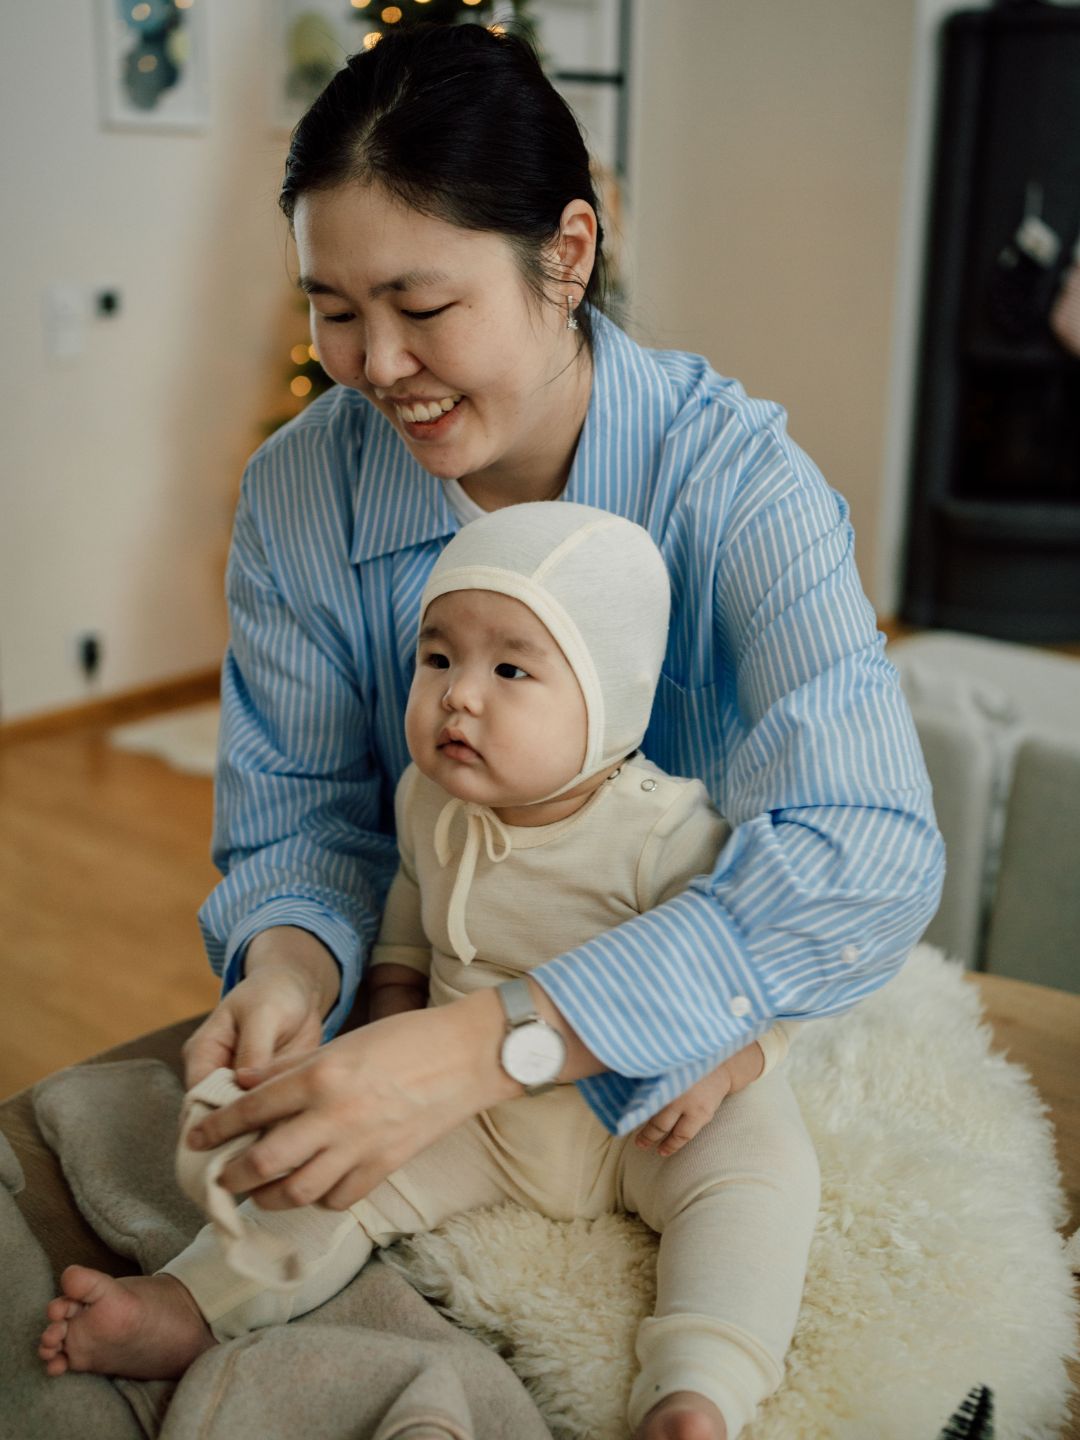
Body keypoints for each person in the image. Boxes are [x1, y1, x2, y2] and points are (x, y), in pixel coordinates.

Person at [38, 21, 943, 1440]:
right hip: (449, 973)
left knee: (748, 1191)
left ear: (567, 254)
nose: (374, 363)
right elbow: (301, 821)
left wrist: (496, 1048)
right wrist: (286, 969)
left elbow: (869, 848)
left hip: (683, 1038)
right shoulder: (301, 497)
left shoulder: (736, 483)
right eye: (333, 307)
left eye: (419, 303)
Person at [42, 505, 820, 1440]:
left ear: (609, 698)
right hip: (469, 1111)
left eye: (511, 668)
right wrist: (394, 1001)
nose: (459, 695)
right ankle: (189, 1304)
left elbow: (769, 969)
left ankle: (699, 1386)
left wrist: (727, 1065)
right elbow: (410, 912)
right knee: (329, 1176)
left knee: (758, 1170)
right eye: (439, 658)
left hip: (643, 1113)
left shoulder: (669, 833)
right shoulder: (428, 799)